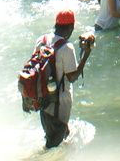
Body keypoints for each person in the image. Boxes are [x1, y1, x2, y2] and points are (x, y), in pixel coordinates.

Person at [32, 10, 93, 149]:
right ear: (71, 27)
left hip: (43, 100)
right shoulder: (67, 47)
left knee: (56, 137)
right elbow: (72, 77)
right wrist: (86, 55)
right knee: (51, 148)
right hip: (59, 105)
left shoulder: (42, 40)